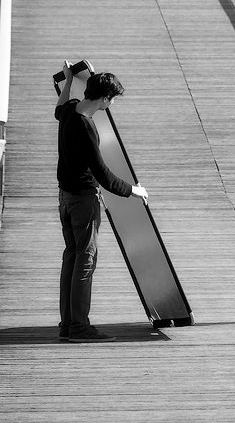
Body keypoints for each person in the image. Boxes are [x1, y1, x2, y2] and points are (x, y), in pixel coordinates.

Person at [55, 64, 149, 342]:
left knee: (72, 257)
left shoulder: (71, 111)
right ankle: (79, 328)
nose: (111, 104)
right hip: (84, 200)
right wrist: (134, 190)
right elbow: (103, 175)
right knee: (85, 261)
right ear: (105, 98)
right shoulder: (86, 127)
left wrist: (69, 80)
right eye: (112, 99)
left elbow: (58, 109)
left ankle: (68, 324)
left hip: (65, 198)